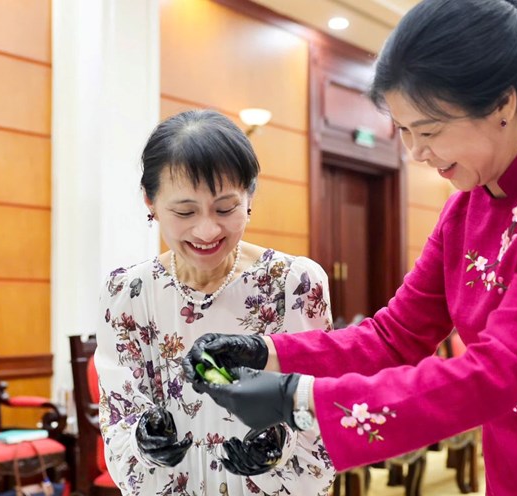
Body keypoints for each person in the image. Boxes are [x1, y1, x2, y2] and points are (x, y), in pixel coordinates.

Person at [183, 0, 517, 494]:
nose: (416, 153)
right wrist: (268, 352)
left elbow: (498, 371)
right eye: (403, 130)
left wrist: (299, 398)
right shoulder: (466, 209)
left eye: (429, 130)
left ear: (502, 104)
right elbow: (393, 337)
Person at [95, 109, 336, 496]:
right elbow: (120, 406)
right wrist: (144, 440)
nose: (207, 230)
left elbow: (320, 400)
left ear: (250, 196)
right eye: (184, 211)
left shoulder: (294, 282)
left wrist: (278, 444)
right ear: (150, 202)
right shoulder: (127, 292)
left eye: (225, 208)